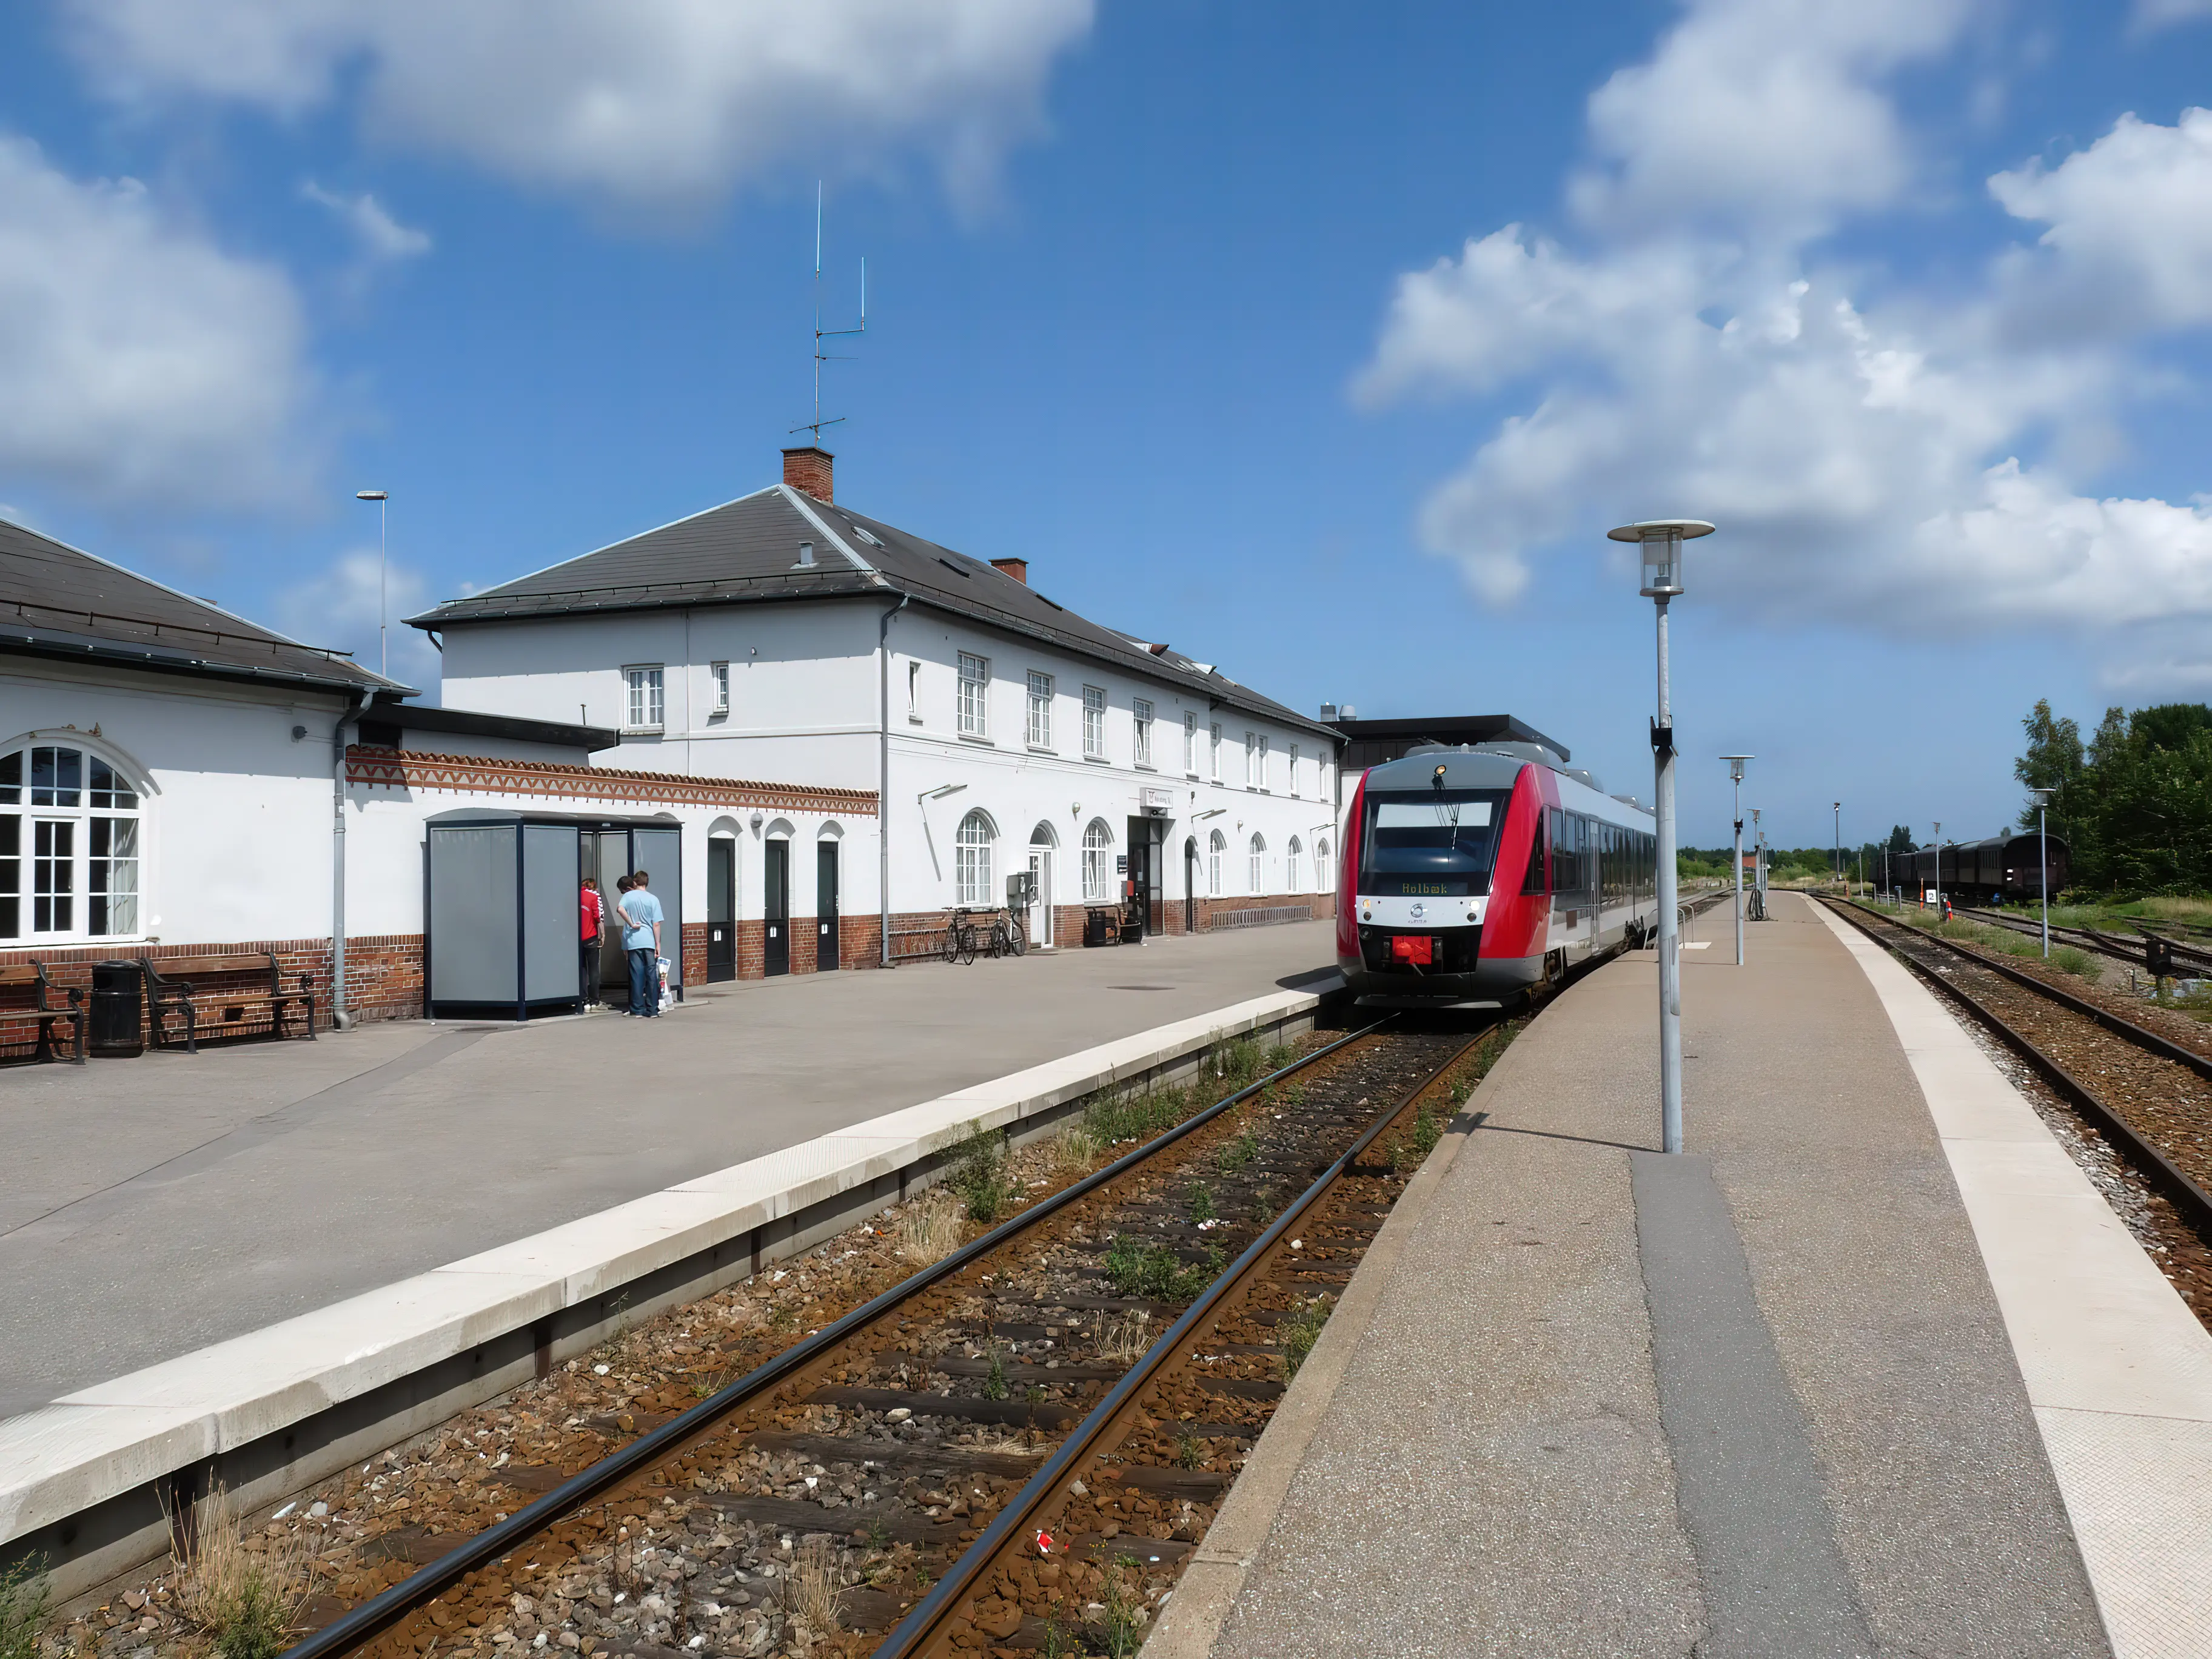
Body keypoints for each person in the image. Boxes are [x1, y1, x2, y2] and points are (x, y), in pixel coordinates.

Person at [618, 869, 665, 1017]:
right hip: (649, 941)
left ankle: (637, 1009)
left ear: (634, 883)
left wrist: (631, 924)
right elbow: (656, 924)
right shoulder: (653, 899)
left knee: (636, 975)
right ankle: (652, 1010)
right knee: (651, 975)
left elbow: (620, 909)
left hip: (634, 941)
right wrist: (658, 943)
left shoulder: (628, 896)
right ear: (647, 883)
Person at [579, 877, 604, 1003]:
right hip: (591, 937)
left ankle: (582, 996)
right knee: (594, 969)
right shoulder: (594, 897)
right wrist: (602, 936)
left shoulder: (576, 896)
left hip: (577, 939)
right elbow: (598, 917)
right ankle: (594, 999)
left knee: (581, 968)